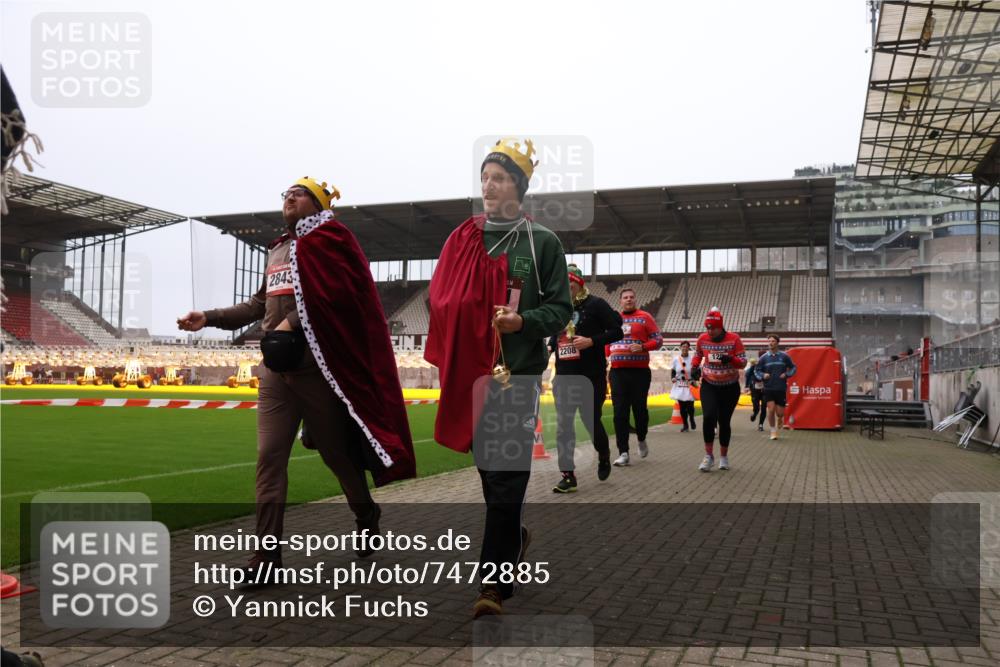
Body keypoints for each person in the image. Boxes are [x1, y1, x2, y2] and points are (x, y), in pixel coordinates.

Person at [178, 177, 415, 579]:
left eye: (299, 192)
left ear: (320, 203)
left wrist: (291, 323)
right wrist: (211, 317)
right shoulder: (278, 250)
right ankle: (267, 559)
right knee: (269, 458)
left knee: (336, 455)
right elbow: (258, 304)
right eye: (286, 193)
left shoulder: (333, 241)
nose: (289, 197)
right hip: (274, 372)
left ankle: (366, 513)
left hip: (317, 370)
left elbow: (341, 298)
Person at [425, 138, 571, 618]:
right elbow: (438, 298)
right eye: (485, 176)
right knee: (490, 476)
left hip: (517, 376)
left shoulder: (542, 242)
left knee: (507, 478)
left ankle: (491, 585)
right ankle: (511, 540)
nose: (489, 184)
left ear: (520, 187)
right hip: (470, 374)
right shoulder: (460, 238)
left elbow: (560, 308)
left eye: (500, 177)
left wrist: (522, 322)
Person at [547, 264, 623, 493]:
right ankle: (568, 476)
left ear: (579, 284)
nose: (566, 288)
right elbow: (555, 335)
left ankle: (603, 453)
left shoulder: (596, 305)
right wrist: (550, 347)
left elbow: (617, 331)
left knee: (591, 421)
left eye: (569, 284)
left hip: (591, 375)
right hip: (564, 376)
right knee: (564, 427)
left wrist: (591, 341)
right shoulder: (559, 307)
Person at [606, 288, 663, 464]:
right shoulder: (613, 319)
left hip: (639, 372)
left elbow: (659, 340)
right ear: (620, 301)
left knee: (640, 411)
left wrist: (644, 346)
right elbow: (606, 341)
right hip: (617, 372)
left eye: (631, 297)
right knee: (619, 412)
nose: (629, 300)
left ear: (635, 299)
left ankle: (641, 438)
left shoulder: (645, 317)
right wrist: (608, 354)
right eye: (625, 297)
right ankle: (623, 452)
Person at [691, 308, 746, 472]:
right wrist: (695, 367)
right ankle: (708, 456)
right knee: (708, 417)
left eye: (713, 328)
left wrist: (730, 359)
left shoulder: (734, 339)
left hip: (729, 386)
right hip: (709, 384)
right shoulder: (702, 339)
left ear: (720, 326)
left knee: (724, 422)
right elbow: (698, 355)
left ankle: (723, 456)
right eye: (707, 328)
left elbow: (742, 362)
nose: (710, 331)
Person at [755, 334, 797, 440]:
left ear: (777, 343)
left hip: (780, 388)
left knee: (779, 413)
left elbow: (793, 367)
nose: (771, 343)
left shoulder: (784, 356)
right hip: (768, 388)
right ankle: (773, 432)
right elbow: (757, 370)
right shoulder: (763, 358)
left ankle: (780, 418)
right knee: (771, 409)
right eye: (769, 341)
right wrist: (763, 375)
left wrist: (786, 374)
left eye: (773, 341)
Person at [670, 341, 697, 432]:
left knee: (690, 406)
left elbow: (697, 371)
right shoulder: (676, 359)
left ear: (689, 348)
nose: (685, 348)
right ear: (680, 347)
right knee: (682, 407)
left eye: (686, 346)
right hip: (680, 385)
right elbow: (673, 370)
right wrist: (673, 378)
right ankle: (685, 425)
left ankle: (692, 419)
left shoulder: (693, 359)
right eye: (683, 346)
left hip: (689, 385)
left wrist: (693, 379)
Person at [745, 357, 766, 432]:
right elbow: (747, 375)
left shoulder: (766, 366)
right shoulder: (753, 367)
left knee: (764, 407)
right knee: (756, 407)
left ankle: (761, 425)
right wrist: (746, 386)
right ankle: (754, 414)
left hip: (764, 390)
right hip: (754, 389)